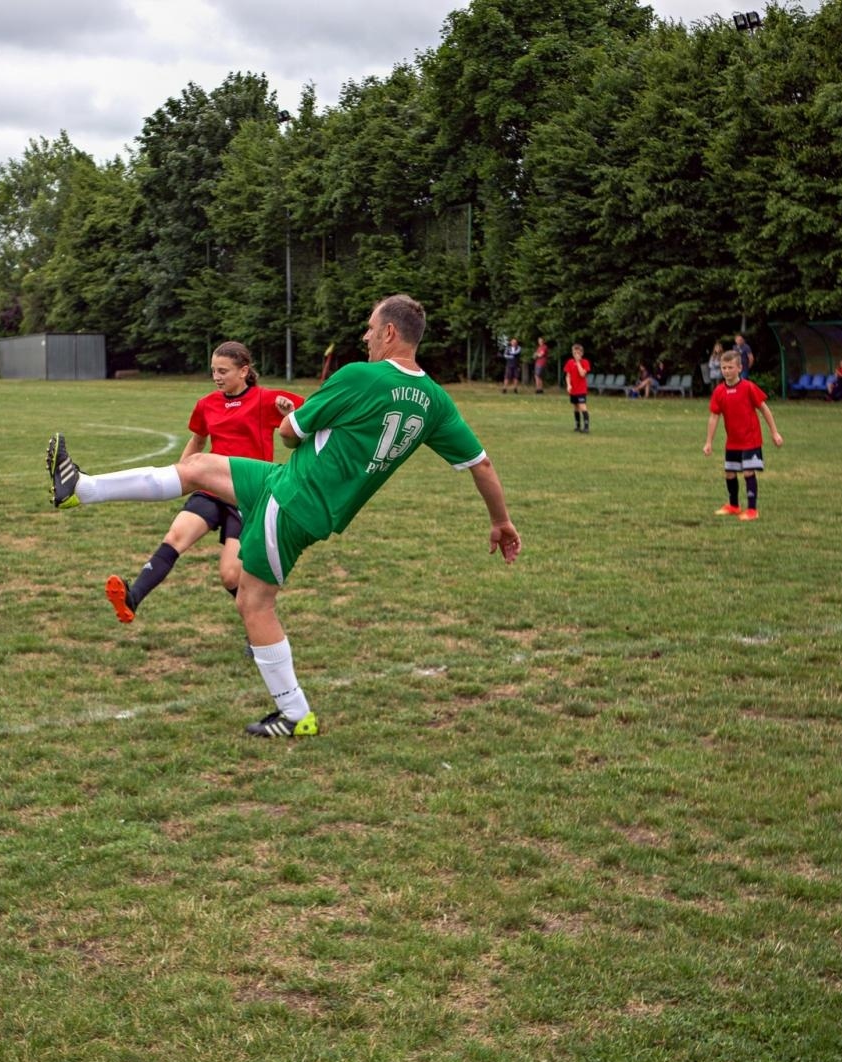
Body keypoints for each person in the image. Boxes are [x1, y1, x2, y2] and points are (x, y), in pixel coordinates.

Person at [46, 293, 522, 738]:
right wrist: (500, 520)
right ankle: (80, 489)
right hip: (287, 484)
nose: (365, 337)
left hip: (295, 503)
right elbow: (480, 463)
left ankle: (294, 713)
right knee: (198, 467)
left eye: (370, 329)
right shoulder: (436, 401)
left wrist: (295, 419)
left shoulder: (361, 375)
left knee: (253, 602)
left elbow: (290, 433)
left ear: (391, 334)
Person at [105, 341, 305, 624]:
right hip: (211, 488)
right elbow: (198, 440)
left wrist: (289, 414)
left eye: (223, 371)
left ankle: (257, 624)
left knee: (230, 575)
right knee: (175, 537)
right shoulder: (206, 404)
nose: (217, 377)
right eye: (213, 371)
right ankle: (132, 598)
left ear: (244, 371)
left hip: (246, 495)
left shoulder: (266, 399)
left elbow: (309, 421)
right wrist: (177, 477)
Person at [704, 350, 783, 522]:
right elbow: (714, 417)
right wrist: (708, 442)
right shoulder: (719, 391)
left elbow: (764, 408)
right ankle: (733, 506)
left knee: (748, 471)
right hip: (733, 441)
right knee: (730, 473)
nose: (726, 371)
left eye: (730, 367)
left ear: (739, 368)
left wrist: (774, 432)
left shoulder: (748, 387)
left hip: (750, 439)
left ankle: (752, 510)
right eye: (723, 367)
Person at [564, 343, 591, 433]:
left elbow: (582, 374)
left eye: (578, 353)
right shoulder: (570, 362)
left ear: (581, 353)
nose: (576, 355)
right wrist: (568, 385)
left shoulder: (585, 362)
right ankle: (578, 425)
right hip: (573, 389)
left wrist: (578, 362)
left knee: (582, 406)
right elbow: (568, 375)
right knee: (575, 407)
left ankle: (586, 426)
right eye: (574, 353)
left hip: (581, 389)